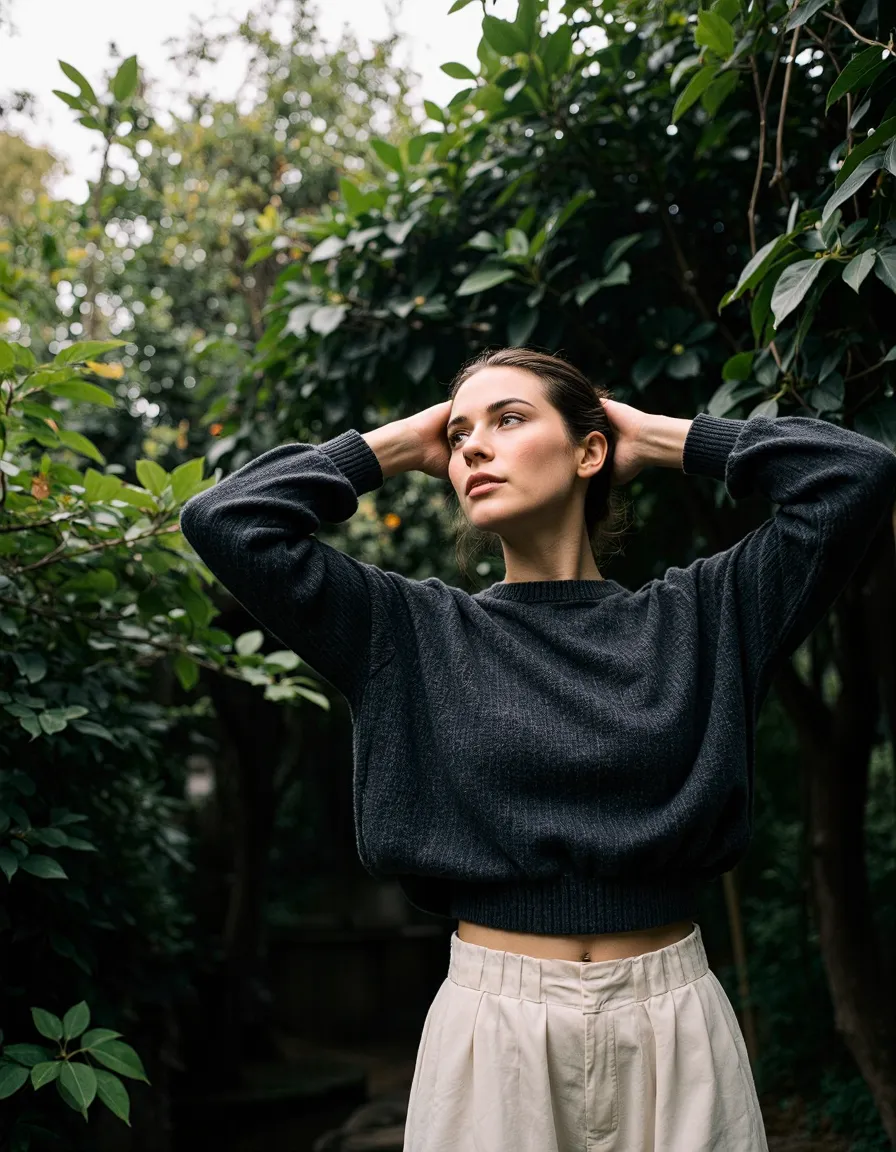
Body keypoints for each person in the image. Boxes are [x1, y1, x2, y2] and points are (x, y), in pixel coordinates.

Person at [179, 347, 896, 1151]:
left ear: (591, 451)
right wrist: (397, 444)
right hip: (493, 1030)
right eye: (459, 435)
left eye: (508, 420)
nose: (472, 448)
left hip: (675, 1021)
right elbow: (226, 519)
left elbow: (854, 474)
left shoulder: (701, 617)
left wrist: (662, 438)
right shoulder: (409, 631)